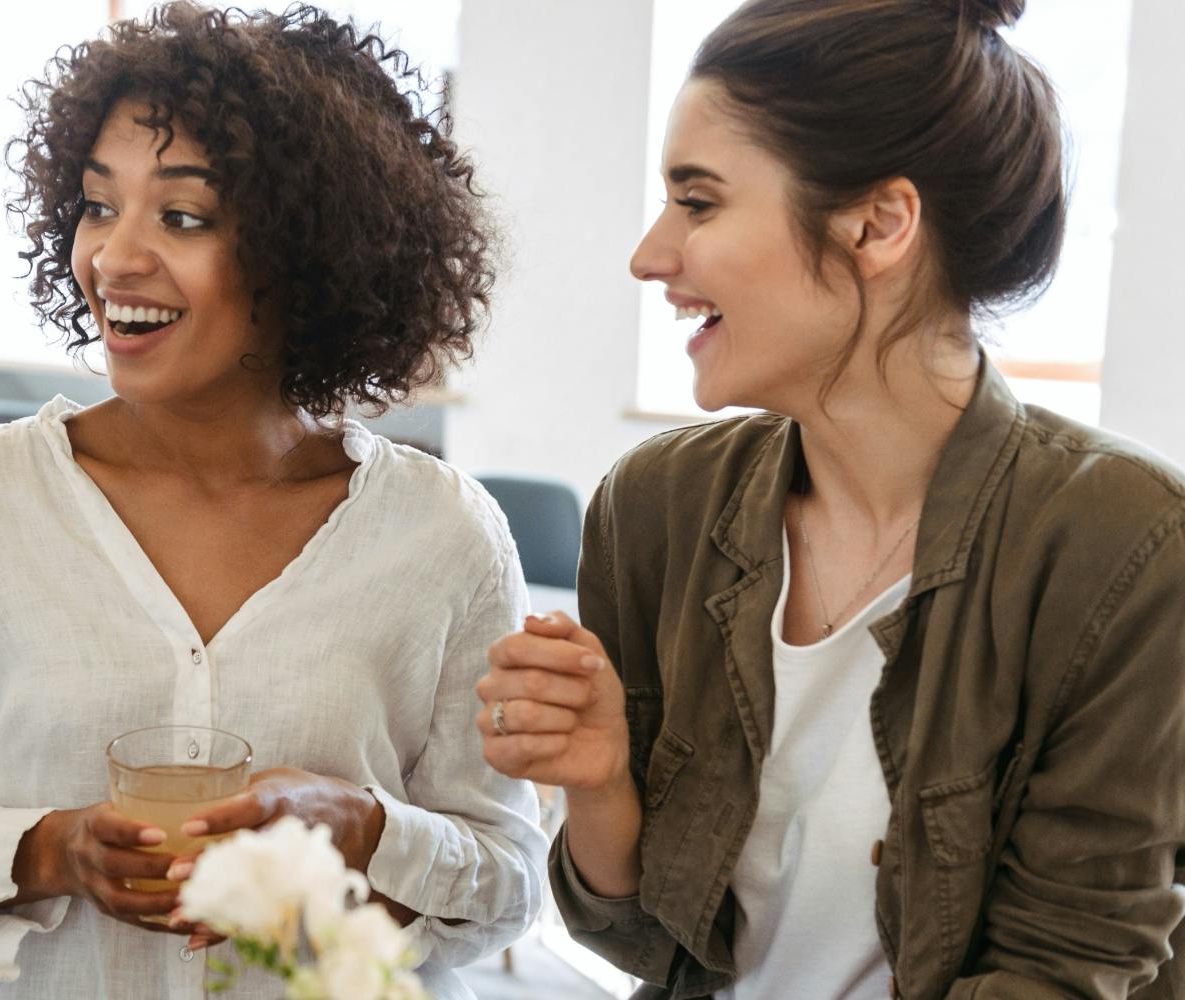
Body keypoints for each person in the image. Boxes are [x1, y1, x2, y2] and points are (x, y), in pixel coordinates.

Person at [0, 4, 545, 997]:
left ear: (306, 251)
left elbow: (505, 882)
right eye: (94, 205)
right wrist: (46, 849)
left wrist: (366, 830)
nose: (113, 259)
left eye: (183, 216)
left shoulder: (443, 537)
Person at [476, 0, 1185, 996]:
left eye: (697, 201)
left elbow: (1063, 969)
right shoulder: (655, 506)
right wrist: (595, 783)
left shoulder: (1122, 543)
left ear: (878, 222)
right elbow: (633, 940)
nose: (648, 254)